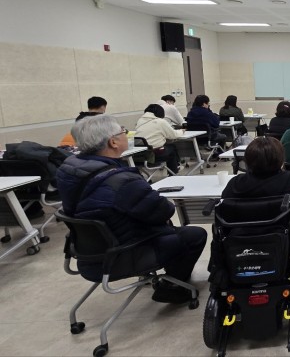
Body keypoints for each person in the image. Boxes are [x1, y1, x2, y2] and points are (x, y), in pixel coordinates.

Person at [56, 115, 206, 304]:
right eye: (123, 132)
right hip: (124, 253)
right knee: (194, 235)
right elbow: (164, 211)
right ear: (113, 142)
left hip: (87, 254)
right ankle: (173, 287)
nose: (126, 135)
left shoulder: (67, 170)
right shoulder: (121, 181)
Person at [221, 137, 290, 226]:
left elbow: (224, 212)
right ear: (281, 160)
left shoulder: (235, 183)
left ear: (246, 160)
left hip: (240, 237)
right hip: (283, 237)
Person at [134, 104, 181, 174]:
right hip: (152, 157)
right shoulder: (160, 122)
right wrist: (182, 131)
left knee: (168, 147)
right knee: (172, 148)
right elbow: (174, 135)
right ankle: (173, 173)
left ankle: (174, 170)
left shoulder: (139, 122)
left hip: (138, 157)